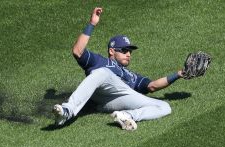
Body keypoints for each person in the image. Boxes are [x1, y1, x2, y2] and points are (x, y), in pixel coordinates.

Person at [53, 7, 183, 130]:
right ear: (111, 51)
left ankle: (127, 116)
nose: (128, 54)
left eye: (130, 51)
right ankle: (67, 111)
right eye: (124, 50)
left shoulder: (132, 75)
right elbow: (77, 51)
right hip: (101, 93)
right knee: (101, 72)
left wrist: (178, 74)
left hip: (119, 100)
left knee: (165, 107)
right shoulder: (100, 61)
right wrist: (92, 24)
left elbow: (152, 86)